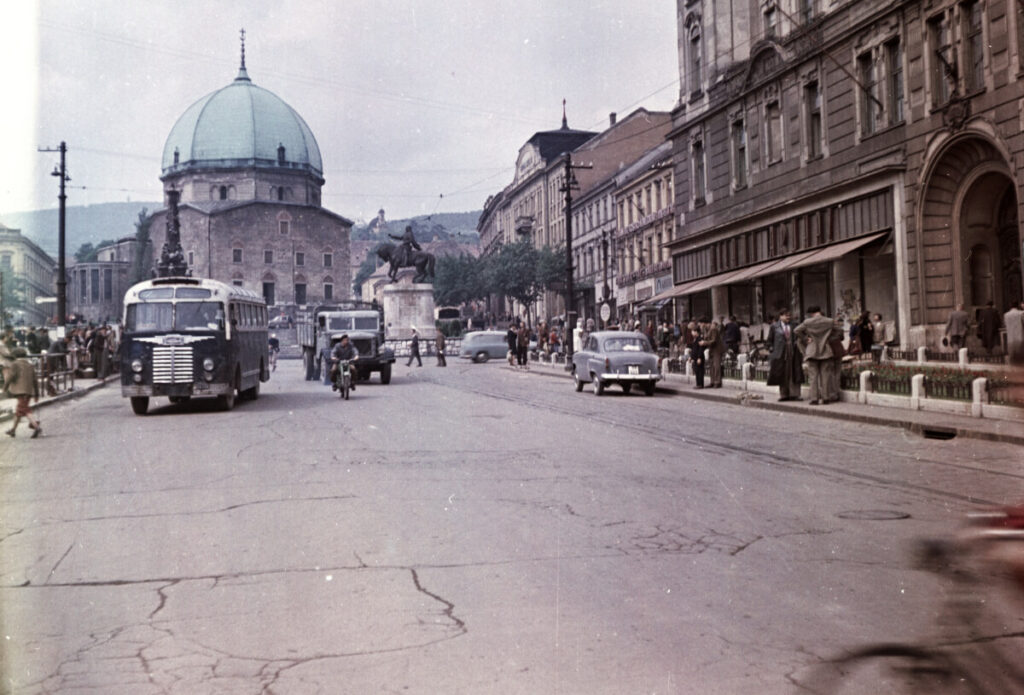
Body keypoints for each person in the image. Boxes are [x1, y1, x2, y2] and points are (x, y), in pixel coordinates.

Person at [794, 306, 841, 405]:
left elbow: (796, 330)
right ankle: (826, 398)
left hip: (812, 349)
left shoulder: (808, 322)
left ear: (811, 313)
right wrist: (829, 337)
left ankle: (814, 398)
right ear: (819, 311)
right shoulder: (829, 321)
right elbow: (839, 331)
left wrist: (806, 339)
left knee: (813, 376)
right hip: (825, 349)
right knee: (825, 375)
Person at [3, 348, 41, 438]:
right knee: (19, 411)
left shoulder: (15, 364)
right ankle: (13, 430)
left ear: (15, 356)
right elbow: (35, 380)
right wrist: (36, 394)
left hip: (20, 391)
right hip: (28, 391)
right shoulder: (30, 365)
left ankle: (36, 426)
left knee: (24, 409)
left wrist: (5, 387)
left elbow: (10, 377)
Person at [768, 308, 803, 401]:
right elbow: (769, 341)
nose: (788, 317)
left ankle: (795, 394)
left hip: (793, 351)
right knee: (783, 373)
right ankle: (784, 395)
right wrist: (772, 349)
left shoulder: (795, 325)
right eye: (786, 315)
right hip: (781, 353)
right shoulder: (774, 326)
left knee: (794, 372)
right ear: (780, 316)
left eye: (789, 315)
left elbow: (800, 336)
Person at [702, 318, 725, 388]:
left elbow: (714, 340)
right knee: (711, 366)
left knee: (716, 365)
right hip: (711, 349)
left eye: (701, 323)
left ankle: (717, 382)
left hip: (717, 350)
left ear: (705, 323)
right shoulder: (707, 329)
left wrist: (705, 343)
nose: (700, 325)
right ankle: (712, 381)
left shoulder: (713, 329)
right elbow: (706, 337)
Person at [686, 321, 705, 389]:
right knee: (697, 371)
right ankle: (698, 383)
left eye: (693, 331)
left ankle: (700, 384)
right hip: (695, 358)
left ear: (696, 332)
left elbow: (700, 349)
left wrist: (699, 357)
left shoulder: (699, 339)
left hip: (699, 358)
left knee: (700, 371)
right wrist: (691, 357)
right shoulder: (695, 339)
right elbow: (694, 349)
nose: (691, 333)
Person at [1005, 301, 1024, 366]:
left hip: (1010, 338)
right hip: (1020, 337)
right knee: (1021, 359)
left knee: (1012, 358)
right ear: (1018, 306)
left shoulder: (1006, 315)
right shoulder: (1021, 313)